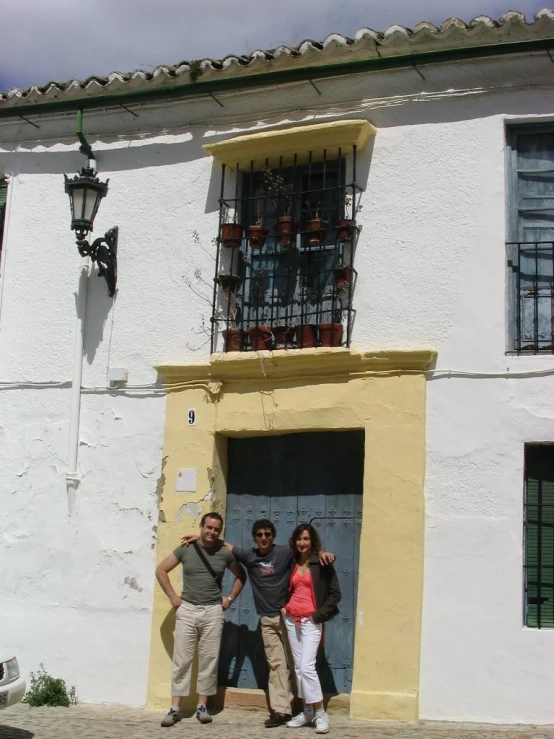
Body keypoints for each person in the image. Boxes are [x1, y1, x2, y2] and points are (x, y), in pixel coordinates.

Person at [181, 518, 335, 728]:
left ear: (273, 537)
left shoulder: (284, 552)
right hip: (267, 619)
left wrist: (324, 552)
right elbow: (225, 545)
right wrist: (200, 538)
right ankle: (282, 710)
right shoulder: (249, 555)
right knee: (277, 665)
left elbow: (305, 549)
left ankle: (311, 709)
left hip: (288, 618)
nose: (263, 538)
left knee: (299, 666)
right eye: (259, 535)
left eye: (268, 534)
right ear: (254, 538)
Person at [156, 512, 246, 727]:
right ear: (201, 526)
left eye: (217, 529)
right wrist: (173, 598)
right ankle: (175, 708)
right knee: (182, 660)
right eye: (209, 527)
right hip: (187, 609)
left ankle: (202, 706)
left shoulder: (224, 553)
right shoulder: (186, 549)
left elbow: (242, 575)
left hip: (213, 612)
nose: (212, 532)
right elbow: (161, 570)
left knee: (209, 659)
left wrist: (230, 599)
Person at [280, 523, 341, 735]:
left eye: (306, 539)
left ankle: (321, 713)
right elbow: (285, 586)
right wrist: (284, 606)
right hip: (291, 620)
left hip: (311, 622)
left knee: (307, 667)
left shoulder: (322, 562)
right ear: (294, 542)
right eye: (299, 539)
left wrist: (317, 616)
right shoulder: (292, 562)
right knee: (298, 668)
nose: (302, 543)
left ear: (312, 541)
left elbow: (335, 594)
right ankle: (306, 711)